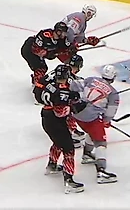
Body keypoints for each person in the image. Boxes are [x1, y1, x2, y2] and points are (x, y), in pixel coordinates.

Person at [33, 65, 85, 193]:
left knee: (58, 142)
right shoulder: (62, 93)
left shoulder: (50, 85)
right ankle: (69, 181)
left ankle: (52, 165)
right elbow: (60, 112)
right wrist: (74, 108)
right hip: (55, 121)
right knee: (69, 149)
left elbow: (39, 92)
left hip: (46, 117)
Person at [72, 65, 120, 184]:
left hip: (76, 114)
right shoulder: (113, 93)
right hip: (91, 118)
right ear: (113, 77)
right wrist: (106, 121)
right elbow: (111, 112)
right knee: (100, 142)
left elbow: (74, 85)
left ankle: (87, 154)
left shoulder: (91, 79)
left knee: (91, 131)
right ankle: (101, 171)